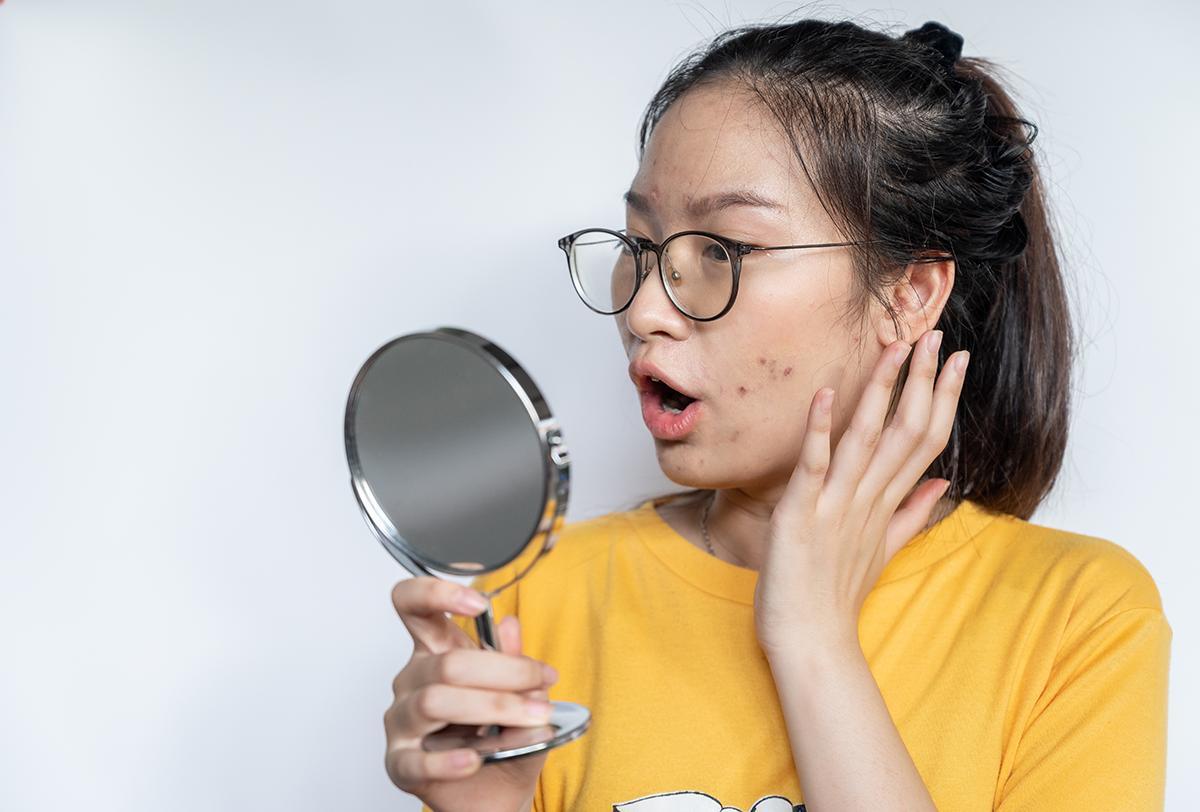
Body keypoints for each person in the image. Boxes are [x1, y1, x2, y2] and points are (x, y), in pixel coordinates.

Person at [384, 16, 1171, 812]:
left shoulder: (1075, 614)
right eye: (642, 244)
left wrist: (814, 642)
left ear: (909, 295)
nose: (646, 308)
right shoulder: (531, 602)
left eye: (723, 250)